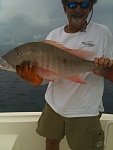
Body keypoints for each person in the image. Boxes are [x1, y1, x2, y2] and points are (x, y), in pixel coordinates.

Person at [16, 0, 113, 150]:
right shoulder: (54, 35)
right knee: (51, 142)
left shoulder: (102, 32)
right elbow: (42, 78)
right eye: (72, 5)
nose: (78, 9)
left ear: (91, 7)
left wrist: (106, 69)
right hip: (54, 106)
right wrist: (32, 77)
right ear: (64, 8)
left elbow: (111, 73)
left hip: (84, 110)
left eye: (84, 4)